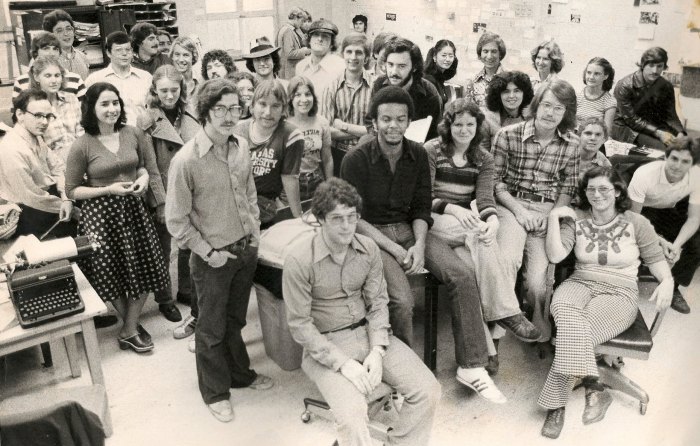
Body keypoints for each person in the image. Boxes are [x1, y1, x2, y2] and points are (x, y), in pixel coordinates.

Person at [341, 86, 507, 403]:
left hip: (410, 228)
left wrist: (418, 244)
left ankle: (472, 366)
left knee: (461, 274)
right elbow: (353, 217)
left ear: (409, 121)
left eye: (400, 119)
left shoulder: (417, 154)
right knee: (402, 301)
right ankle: (401, 374)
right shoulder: (355, 159)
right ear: (374, 122)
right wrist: (394, 249)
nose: (393, 125)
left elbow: (420, 208)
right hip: (371, 234)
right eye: (386, 119)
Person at [283, 177, 441, 446]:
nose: (347, 226)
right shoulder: (299, 260)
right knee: (352, 417)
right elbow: (300, 325)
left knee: (428, 391)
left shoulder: (368, 249)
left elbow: (378, 303)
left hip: (369, 334)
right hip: (326, 344)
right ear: (320, 219)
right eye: (337, 218)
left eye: (352, 216)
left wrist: (377, 351)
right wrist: (343, 364)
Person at [166, 78, 273, 423]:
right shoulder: (186, 161)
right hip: (212, 258)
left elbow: (250, 193)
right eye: (221, 109)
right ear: (205, 112)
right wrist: (209, 253)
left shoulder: (241, 146)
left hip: (245, 250)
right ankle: (215, 392)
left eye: (235, 108)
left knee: (235, 320)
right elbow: (176, 220)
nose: (229, 116)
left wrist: (254, 234)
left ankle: (239, 374)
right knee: (210, 329)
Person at [539, 166, 673, 439]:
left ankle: (557, 404)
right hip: (579, 283)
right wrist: (554, 218)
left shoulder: (637, 223)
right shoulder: (576, 218)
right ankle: (594, 384)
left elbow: (657, 262)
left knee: (578, 330)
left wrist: (668, 281)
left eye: (604, 189)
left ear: (618, 191)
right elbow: (555, 256)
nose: (597, 194)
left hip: (619, 291)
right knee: (563, 308)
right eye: (591, 189)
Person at [424, 99, 541, 372]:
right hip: (434, 218)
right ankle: (509, 312)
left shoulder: (483, 158)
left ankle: (488, 351)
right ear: (448, 126)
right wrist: (454, 209)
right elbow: (422, 196)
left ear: (478, 127)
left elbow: (485, 198)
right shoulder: (431, 150)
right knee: (478, 234)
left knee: (473, 270)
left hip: (465, 226)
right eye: (458, 124)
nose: (464, 130)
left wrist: (493, 221)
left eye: (470, 124)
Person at [65, 82, 170, 354]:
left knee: (146, 267)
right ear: (91, 108)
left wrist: (143, 179)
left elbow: (144, 167)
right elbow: (72, 190)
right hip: (100, 217)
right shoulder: (81, 145)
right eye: (104, 104)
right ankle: (132, 328)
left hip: (134, 211)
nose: (112, 109)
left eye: (115, 103)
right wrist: (107, 189)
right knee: (110, 273)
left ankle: (129, 328)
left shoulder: (132, 133)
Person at [492, 79, 580, 343]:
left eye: (559, 108)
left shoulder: (572, 145)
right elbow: (494, 182)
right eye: (547, 105)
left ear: (566, 113)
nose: (550, 113)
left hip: (547, 208)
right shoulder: (507, 135)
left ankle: (534, 315)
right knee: (508, 261)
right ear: (537, 104)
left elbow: (568, 187)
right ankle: (497, 325)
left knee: (536, 281)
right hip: (510, 204)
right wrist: (519, 212)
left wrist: (552, 214)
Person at [137, 64, 201, 324]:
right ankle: (164, 299)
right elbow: (150, 166)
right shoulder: (146, 120)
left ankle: (186, 290)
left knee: (189, 243)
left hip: (192, 188)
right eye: (164, 90)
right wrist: (160, 203)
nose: (170, 95)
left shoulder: (192, 113)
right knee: (162, 249)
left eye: (174, 89)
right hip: (165, 190)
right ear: (155, 90)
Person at [628, 137, 700, 314]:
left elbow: (694, 219)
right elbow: (633, 219)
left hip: (667, 210)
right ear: (666, 157)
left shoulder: (697, 176)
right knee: (633, 237)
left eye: (685, 162)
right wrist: (660, 240)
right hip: (641, 211)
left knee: (697, 243)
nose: (677, 166)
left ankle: (673, 286)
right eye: (674, 158)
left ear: (693, 164)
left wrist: (676, 246)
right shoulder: (645, 174)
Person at [0, 89, 76, 238]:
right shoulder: (11, 149)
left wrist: (66, 198)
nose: (45, 122)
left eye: (48, 116)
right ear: (20, 115)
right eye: (38, 116)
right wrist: (67, 206)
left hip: (48, 199)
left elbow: (57, 168)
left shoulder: (36, 136)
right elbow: (31, 197)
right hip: (26, 212)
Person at [234, 80, 304, 226]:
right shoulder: (237, 132)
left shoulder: (291, 135)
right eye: (262, 104)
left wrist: (298, 219)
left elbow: (290, 178)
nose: (268, 112)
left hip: (268, 206)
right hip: (238, 204)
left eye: (275, 106)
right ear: (252, 106)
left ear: (284, 109)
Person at [612, 47, 685, 151]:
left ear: (664, 67)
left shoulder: (666, 86)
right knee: (664, 150)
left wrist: (680, 132)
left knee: (685, 146)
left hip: (651, 125)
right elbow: (631, 119)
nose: (655, 71)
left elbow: (671, 116)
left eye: (659, 66)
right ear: (643, 65)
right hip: (628, 128)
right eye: (651, 65)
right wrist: (659, 133)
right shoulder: (624, 85)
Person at [321, 32, 373, 176]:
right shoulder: (331, 88)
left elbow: (377, 130)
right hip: (338, 155)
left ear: (366, 57)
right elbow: (327, 132)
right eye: (349, 51)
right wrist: (364, 131)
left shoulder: (375, 87)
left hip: (368, 154)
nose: (353, 57)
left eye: (359, 52)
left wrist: (343, 125)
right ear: (343, 54)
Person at [372, 37, 442, 141]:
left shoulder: (429, 94)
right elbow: (371, 122)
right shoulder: (379, 85)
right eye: (390, 65)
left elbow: (434, 137)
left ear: (414, 67)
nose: (394, 72)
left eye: (401, 66)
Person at [86, 31, 152, 126]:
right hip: (109, 133)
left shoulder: (146, 78)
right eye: (118, 50)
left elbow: (154, 109)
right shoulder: (95, 79)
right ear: (108, 53)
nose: (124, 54)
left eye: (128, 49)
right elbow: (87, 112)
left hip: (141, 131)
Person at [28, 55, 83, 162]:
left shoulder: (71, 98)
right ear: (36, 77)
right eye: (48, 76)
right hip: (52, 161)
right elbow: (36, 146)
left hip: (79, 155)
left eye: (57, 75)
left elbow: (80, 131)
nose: (54, 80)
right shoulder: (32, 106)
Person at [287, 76, 332, 200]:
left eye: (308, 94)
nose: (304, 99)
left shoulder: (322, 122)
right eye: (298, 95)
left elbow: (327, 159)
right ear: (290, 98)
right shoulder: (283, 124)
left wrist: (330, 185)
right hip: (291, 182)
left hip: (316, 180)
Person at [13, 32, 86, 100]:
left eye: (55, 49)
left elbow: (84, 108)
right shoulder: (21, 81)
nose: (52, 53)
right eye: (46, 48)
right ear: (35, 53)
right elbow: (18, 109)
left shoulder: (75, 79)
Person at [295, 19, 345, 108]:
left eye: (325, 36)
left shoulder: (341, 66)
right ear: (309, 40)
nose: (320, 39)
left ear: (332, 43)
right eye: (316, 35)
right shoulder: (300, 67)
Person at [480, 70, 534, 152]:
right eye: (506, 91)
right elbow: (482, 153)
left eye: (516, 91)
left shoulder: (531, 118)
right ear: (498, 95)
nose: (511, 96)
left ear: (524, 93)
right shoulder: (487, 119)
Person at [42, 9, 90, 80]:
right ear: (50, 36)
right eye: (59, 31)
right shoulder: (47, 61)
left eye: (68, 29)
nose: (66, 34)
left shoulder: (82, 57)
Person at [464, 32, 507, 108]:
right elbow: (468, 111)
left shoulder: (509, 79)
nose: (489, 56)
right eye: (485, 51)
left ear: (500, 54)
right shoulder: (472, 82)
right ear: (480, 54)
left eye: (494, 51)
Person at [577, 57, 616, 135]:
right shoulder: (576, 95)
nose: (591, 77)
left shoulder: (610, 101)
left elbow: (606, 133)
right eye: (589, 72)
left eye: (597, 74)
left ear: (605, 76)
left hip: (593, 138)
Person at [276, 7, 312, 79]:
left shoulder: (284, 29)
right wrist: (304, 50)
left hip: (285, 69)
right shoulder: (288, 31)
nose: (302, 23)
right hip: (288, 72)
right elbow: (289, 53)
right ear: (295, 18)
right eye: (302, 21)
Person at [423, 39, 458, 106]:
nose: (447, 59)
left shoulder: (440, 78)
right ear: (434, 57)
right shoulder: (428, 79)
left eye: (451, 56)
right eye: (444, 55)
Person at [169, 36, 200, 101]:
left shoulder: (201, 80)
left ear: (193, 57)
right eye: (177, 54)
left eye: (185, 55)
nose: (181, 59)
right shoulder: (167, 81)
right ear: (172, 56)